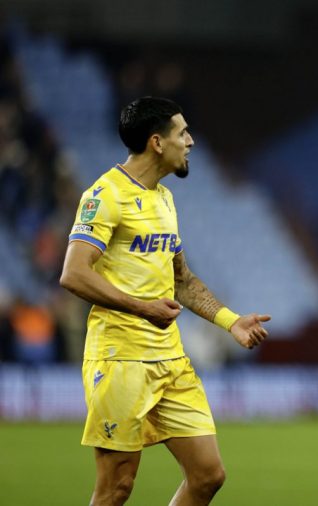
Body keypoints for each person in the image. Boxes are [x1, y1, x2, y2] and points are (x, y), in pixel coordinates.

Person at [60, 97, 271, 506]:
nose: (190, 141)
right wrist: (142, 307)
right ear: (157, 142)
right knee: (116, 488)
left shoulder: (164, 199)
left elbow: (181, 281)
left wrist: (231, 322)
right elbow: (74, 272)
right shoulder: (105, 195)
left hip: (169, 358)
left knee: (208, 475)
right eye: (183, 133)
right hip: (119, 359)